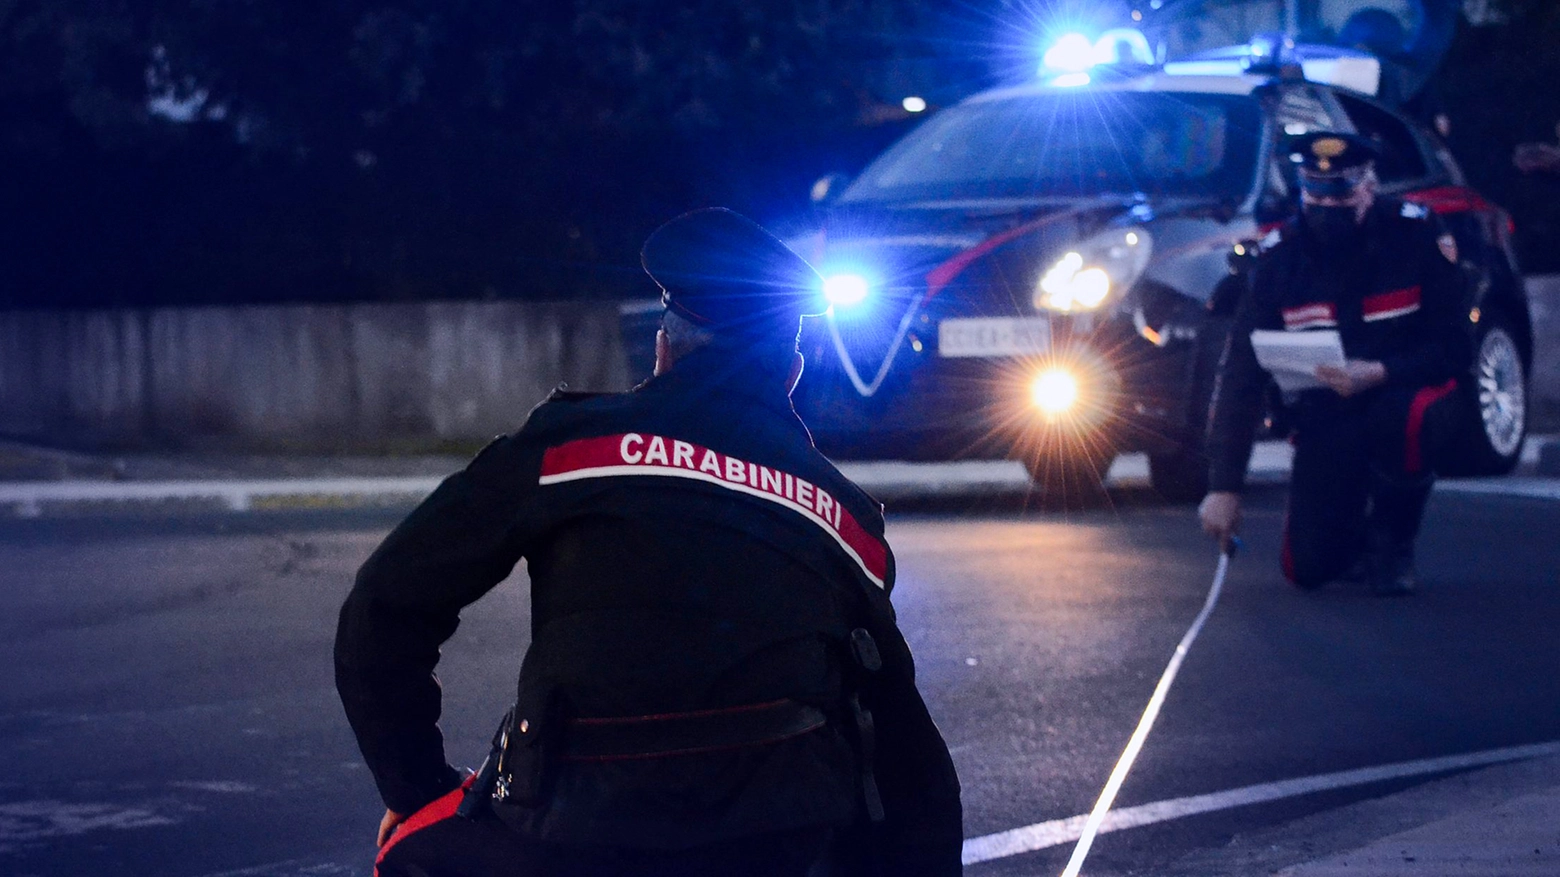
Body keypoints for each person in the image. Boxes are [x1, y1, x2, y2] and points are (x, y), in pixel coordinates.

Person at [335, 207, 964, 877]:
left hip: (573, 839)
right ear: (792, 373)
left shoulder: (569, 449)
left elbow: (382, 609)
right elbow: (908, 753)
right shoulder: (844, 518)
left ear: (663, 350)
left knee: (413, 853)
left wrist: (417, 788)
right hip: (774, 846)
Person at [1199, 132, 1471, 596]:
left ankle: (1393, 540)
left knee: (1408, 417)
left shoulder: (1416, 234)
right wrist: (1224, 487)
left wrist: (1381, 371)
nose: (1328, 208)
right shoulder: (1280, 256)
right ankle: (1353, 538)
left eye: (1342, 195)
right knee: (1307, 569)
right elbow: (1241, 373)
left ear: (1370, 185)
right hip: (1327, 411)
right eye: (1315, 194)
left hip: (1400, 392)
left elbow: (1453, 348)